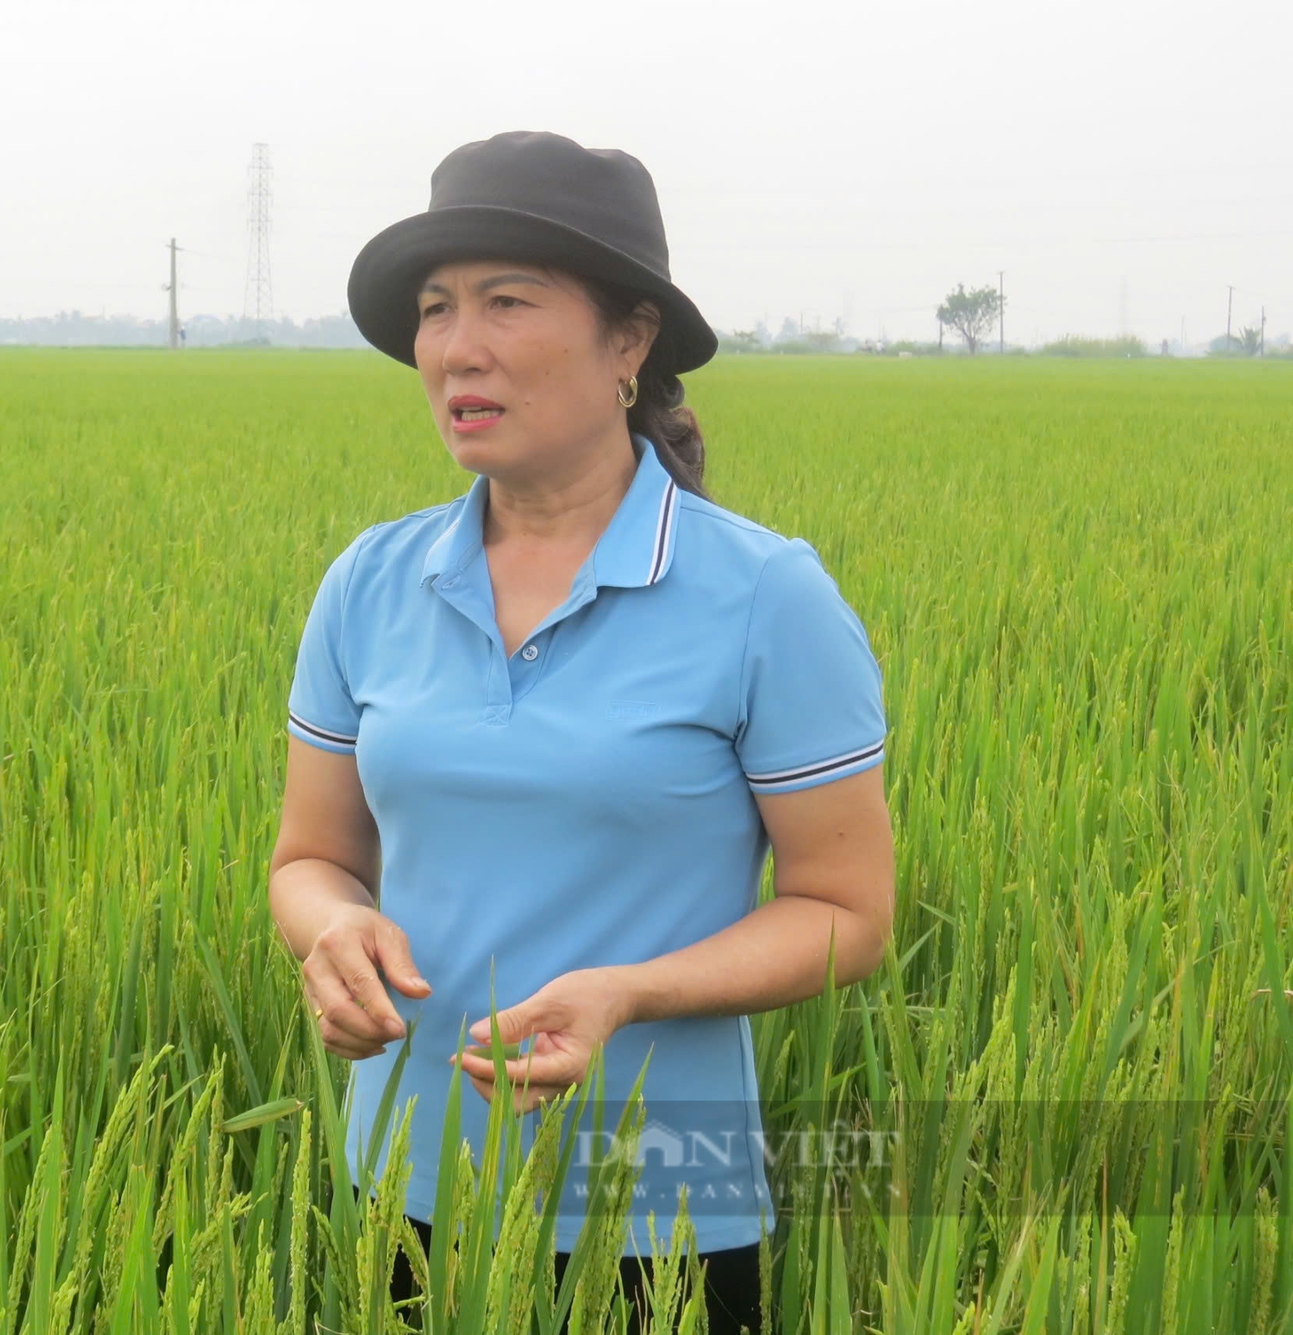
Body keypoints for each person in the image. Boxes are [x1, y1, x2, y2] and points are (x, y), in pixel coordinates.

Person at [267, 131, 896, 1334]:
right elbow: (309, 857)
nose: (457, 345)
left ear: (628, 340)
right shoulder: (369, 581)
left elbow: (844, 913)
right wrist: (334, 930)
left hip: (658, 1204)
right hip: (399, 1174)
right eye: (435, 308)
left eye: (507, 300)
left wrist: (628, 992)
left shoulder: (763, 595)